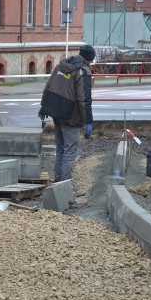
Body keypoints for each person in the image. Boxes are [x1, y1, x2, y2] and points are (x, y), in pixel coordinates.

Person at [38, 44, 95, 197]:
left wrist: (44, 108)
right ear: (90, 59)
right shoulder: (83, 71)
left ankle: (58, 182)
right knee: (70, 151)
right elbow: (84, 99)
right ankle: (66, 189)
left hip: (56, 113)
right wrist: (88, 121)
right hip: (71, 116)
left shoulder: (62, 66)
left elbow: (48, 87)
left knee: (61, 149)